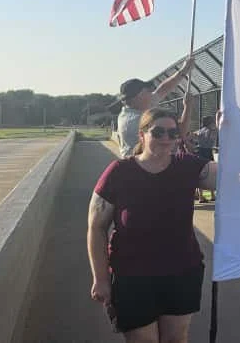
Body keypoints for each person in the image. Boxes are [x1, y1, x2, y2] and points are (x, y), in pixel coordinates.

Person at [88, 108, 218, 342]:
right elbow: (96, 227)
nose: (166, 139)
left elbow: (232, 177)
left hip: (182, 271)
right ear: (142, 135)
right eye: (158, 132)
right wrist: (100, 278)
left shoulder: (187, 166)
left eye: (172, 133)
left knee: (176, 339)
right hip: (132, 277)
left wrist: (226, 131)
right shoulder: (120, 172)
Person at [115, 56, 195, 157]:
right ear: (139, 96)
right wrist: (188, 107)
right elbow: (181, 131)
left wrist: (184, 70)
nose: (152, 93)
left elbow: (162, 89)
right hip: (142, 170)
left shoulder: (129, 111)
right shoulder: (139, 120)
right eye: (148, 91)